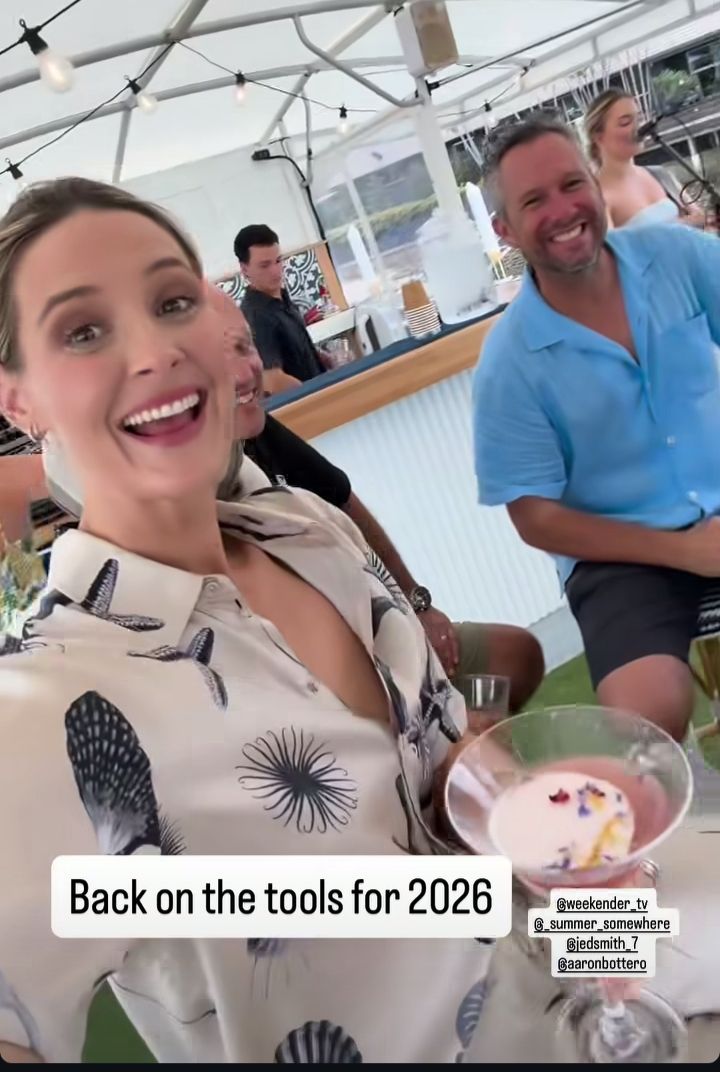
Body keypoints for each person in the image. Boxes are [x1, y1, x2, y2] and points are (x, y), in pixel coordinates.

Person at [0, 176, 495, 1064]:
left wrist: (505, 799)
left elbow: (449, 781)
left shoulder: (307, 528)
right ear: (18, 401)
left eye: (172, 302)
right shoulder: (41, 711)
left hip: (559, 973)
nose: (155, 351)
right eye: (83, 331)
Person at [2, 294, 545, 712]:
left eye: (243, 348)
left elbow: (342, 505)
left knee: (511, 665)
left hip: (375, 664)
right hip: (249, 694)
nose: (243, 374)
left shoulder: (267, 471)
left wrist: (417, 608)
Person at [472, 113, 720, 744]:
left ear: (594, 181)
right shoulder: (508, 363)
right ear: (504, 229)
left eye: (571, 184)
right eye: (534, 201)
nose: (563, 210)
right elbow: (537, 519)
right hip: (623, 557)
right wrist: (685, 551)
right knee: (644, 723)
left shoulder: (678, 256)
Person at [583, 88, 706, 230]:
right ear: (598, 137)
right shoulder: (598, 198)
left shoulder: (659, 174)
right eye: (625, 122)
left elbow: (701, 219)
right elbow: (610, 245)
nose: (638, 127)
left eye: (639, 119)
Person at [235, 223, 325, 390]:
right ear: (244, 269)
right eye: (265, 265)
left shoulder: (283, 299)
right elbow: (273, 379)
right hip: (306, 402)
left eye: (278, 261)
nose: (275, 271)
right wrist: (316, 393)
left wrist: (324, 360)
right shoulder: (256, 316)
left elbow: (296, 354)